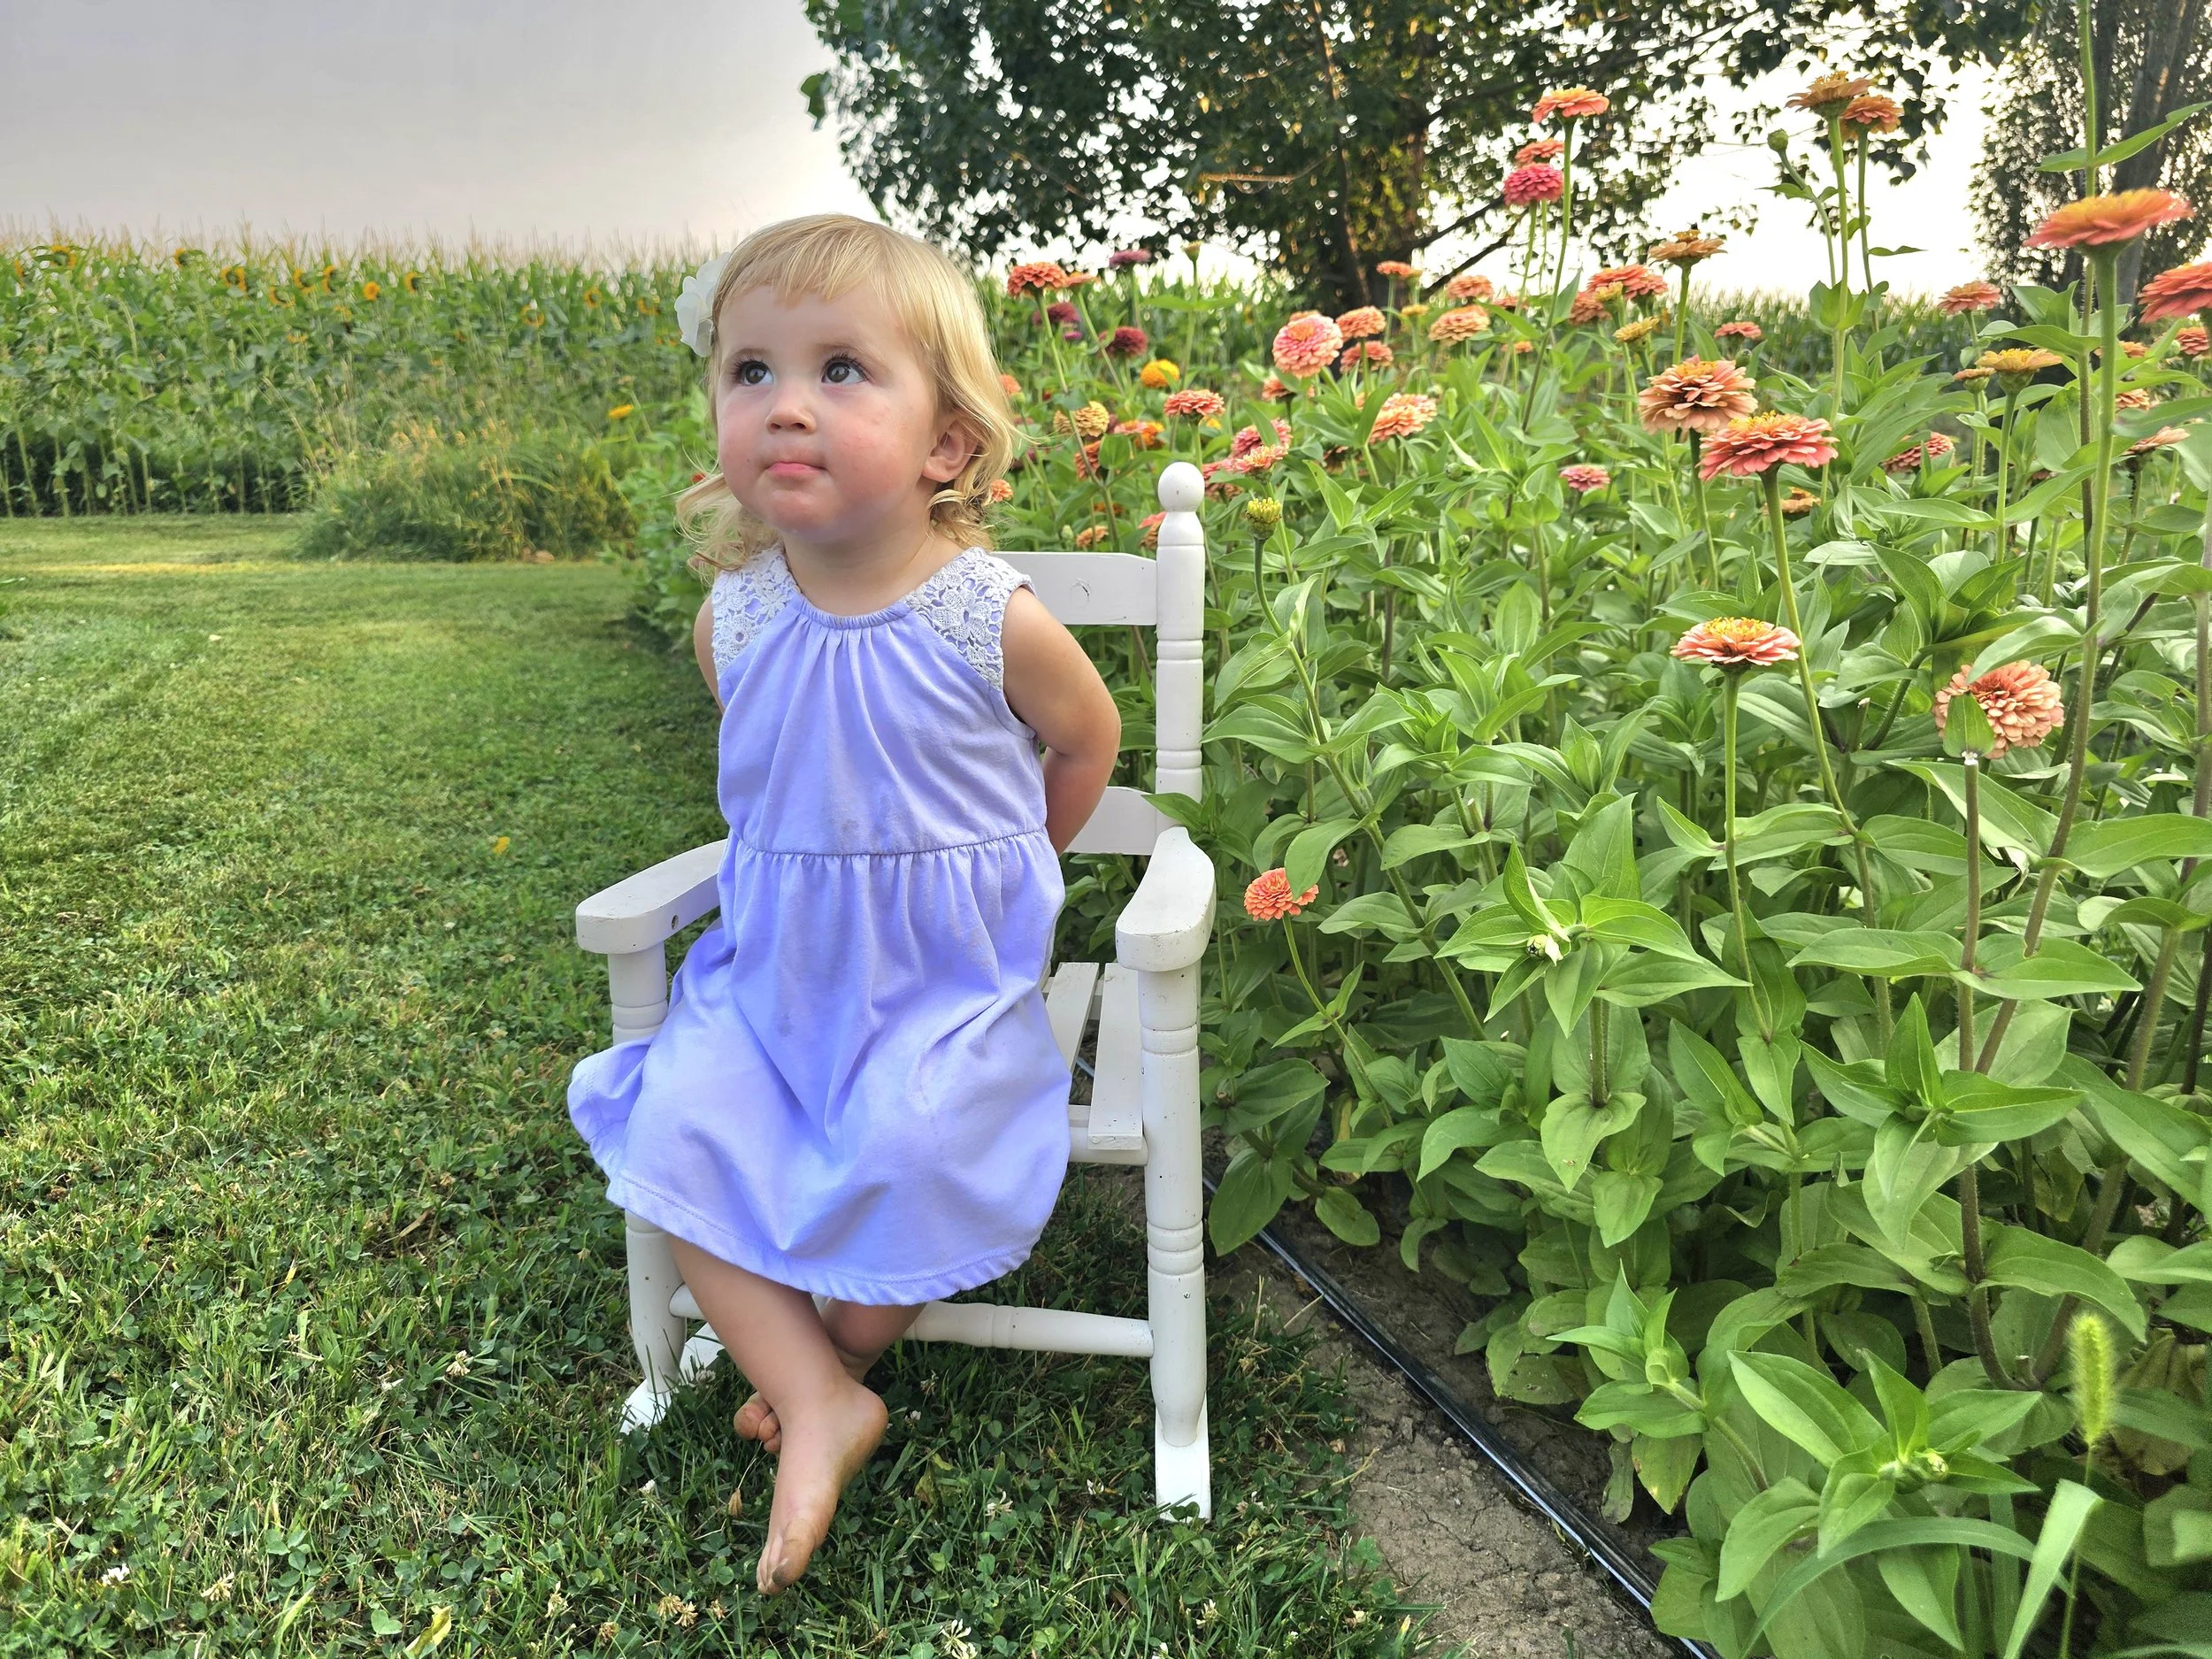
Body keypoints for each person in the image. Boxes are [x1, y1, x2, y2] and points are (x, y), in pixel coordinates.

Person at [565, 214, 1122, 1595]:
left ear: (947, 441)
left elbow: (1086, 740)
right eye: (750, 370)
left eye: (840, 370)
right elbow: (784, 793)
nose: (786, 403)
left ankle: (830, 1359)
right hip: (777, 982)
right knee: (679, 1131)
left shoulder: (986, 615)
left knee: (923, 1152)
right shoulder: (738, 620)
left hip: (943, 990)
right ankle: (818, 1394)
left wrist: (1011, 867)